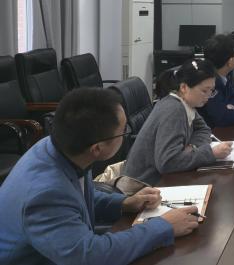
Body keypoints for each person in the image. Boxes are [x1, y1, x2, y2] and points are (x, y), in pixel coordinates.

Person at [0, 87, 200, 265]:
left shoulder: (63, 148)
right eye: (123, 131)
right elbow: (90, 256)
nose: (126, 134)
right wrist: (163, 227)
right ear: (97, 148)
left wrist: (124, 203)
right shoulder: (45, 194)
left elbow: (75, 196)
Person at [123, 58, 232, 185]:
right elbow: (168, 163)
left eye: (211, 90)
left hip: (162, 179)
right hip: (145, 186)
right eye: (204, 91)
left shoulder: (186, 103)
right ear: (184, 87)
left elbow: (203, 129)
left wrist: (192, 147)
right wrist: (211, 153)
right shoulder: (174, 110)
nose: (208, 96)